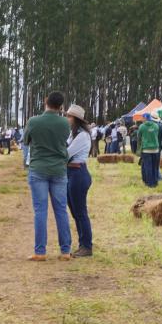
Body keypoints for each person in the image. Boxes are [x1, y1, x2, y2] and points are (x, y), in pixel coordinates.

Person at [24, 92, 72, 261]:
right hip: (59, 170)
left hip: (38, 169)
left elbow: (26, 141)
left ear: (45, 102)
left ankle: (40, 251)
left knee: (40, 211)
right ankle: (65, 251)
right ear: (61, 106)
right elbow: (65, 141)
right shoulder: (65, 123)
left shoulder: (33, 121)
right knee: (61, 210)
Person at [65, 105, 93, 257]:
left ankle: (86, 246)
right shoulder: (73, 134)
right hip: (72, 172)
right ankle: (83, 243)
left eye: (69, 116)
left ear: (75, 119)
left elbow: (66, 153)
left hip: (77, 172)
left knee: (80, 212)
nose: (67, 119)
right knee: (76, 212)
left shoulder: (82, 136)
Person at [136, 114, 161, 187]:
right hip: (155, 149)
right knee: (155, 167)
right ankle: (155, 182)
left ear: (145, 118)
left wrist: (138, 149)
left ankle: (150, 183)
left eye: (142, 118)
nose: (141, 120)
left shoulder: (142, 127)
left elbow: (139, 138)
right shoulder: (156, 126)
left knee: (148, 167)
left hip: (146, 150)